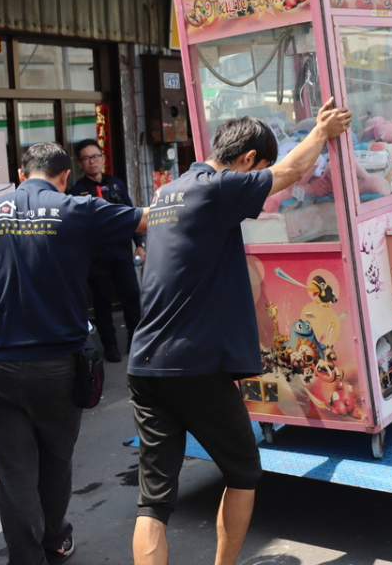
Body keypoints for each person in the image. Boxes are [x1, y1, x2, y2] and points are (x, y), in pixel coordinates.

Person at [127, 98, 352, 565]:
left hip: (145, 362)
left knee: (154, 500)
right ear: (247, 161)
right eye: (257, 170)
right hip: (194, 364)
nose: (257, 183)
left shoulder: (173, 189)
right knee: (244, 470)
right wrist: (321, 132)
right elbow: (290, 174)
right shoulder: (217, 187)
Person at [0, 142, 147, 565]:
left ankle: (27, 558)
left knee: (14, 471)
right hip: (60, 366)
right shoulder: (79, 209)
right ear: (64, 177)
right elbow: (152, 218)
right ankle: (55, 539)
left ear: (21, 174)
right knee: (56, 461)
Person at [69, 139, 145, 362]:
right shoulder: (77, 191)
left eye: (96, 156)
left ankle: (135, 341)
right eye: (86, 158)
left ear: (103, 158)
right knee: (102, 302)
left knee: (132, 296)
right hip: (96, 255)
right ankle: (110, 346)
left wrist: (139, 243)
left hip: (121, 252)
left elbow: (131, 213)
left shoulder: (116, 184)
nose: (92, 161)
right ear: (80, 164)